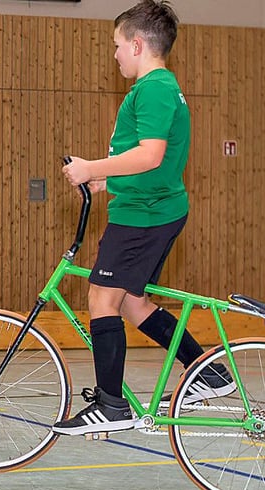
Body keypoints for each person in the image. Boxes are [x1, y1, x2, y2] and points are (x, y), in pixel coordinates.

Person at [53, 0, 233, 436]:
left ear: (137, 44)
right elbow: (156, 163)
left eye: (117, 45)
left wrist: (92, 168)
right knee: (131, 301)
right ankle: (209, 372)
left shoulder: (152, 88)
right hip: (149, 207)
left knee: (101, 299)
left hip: (144, 217)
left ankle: (112, 406)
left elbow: (151, 156)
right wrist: (108, 184)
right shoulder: (161, 88)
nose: (113, 54)